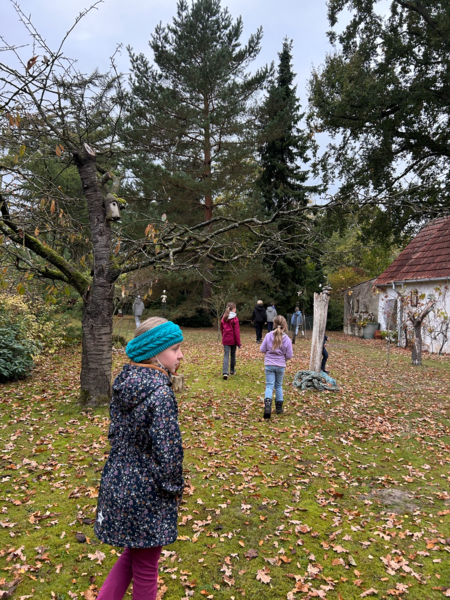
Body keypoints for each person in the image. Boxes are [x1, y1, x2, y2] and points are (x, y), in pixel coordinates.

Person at [95, 317, 185, 600]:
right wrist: (173, 488)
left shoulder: (125, 382)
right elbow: (168, 452)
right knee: (146, 566)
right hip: (147, 492)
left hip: (118, 482)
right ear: (154, 353)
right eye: (175, 349)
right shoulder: (159, 393)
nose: (181, 355)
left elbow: (117, 435)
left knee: (133, 554)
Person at [260, 315, 293, 419]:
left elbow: (262, 349)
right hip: (280, 365)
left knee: (269, 385)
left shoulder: (268, 336)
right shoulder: (287, 339)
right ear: (285, 326)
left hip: (269, 364)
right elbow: (289, 355)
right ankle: (279, 407)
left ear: (273, 325)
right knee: (278, 385)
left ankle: (267, 406)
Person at [220, 302, 241, 380]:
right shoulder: (235, 319)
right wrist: (238, 343)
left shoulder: (223, 318)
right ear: (234, 309)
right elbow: (237, 332)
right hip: (233, 340)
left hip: (226, 339)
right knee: (232, 354)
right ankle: (232, 370)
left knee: (226, 355)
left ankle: (225, 372)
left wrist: (223, 336)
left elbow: (222, 329)